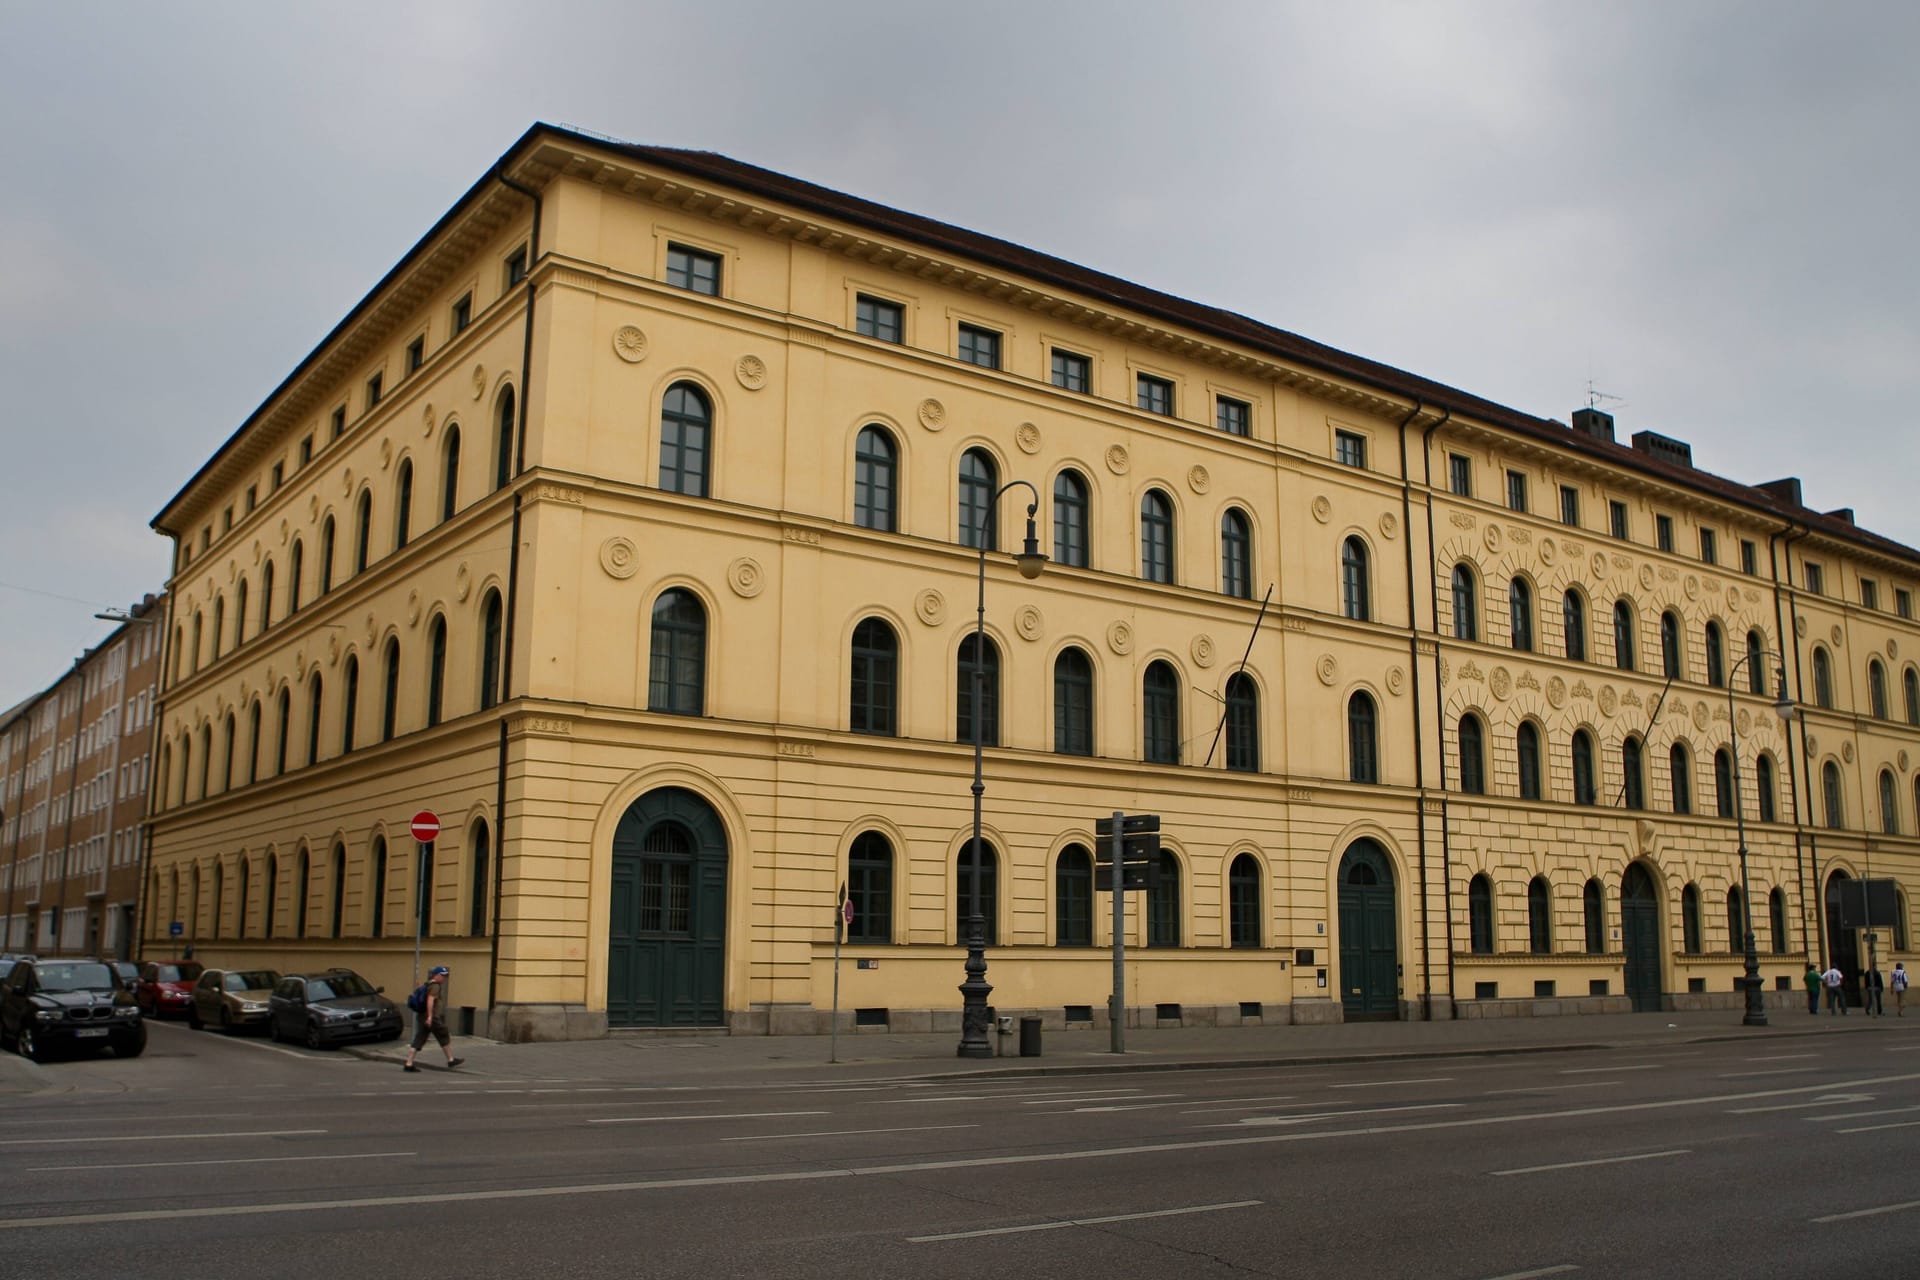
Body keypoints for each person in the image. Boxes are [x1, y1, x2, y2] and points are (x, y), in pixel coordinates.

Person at [403, 965, 463, 1073]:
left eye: (446, 976)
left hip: (422, 1016)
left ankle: (409, 1063)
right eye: (442, 975)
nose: (444, 978)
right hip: (431, 1017)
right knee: (443, 1033)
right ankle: (450, 1059)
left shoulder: (427, 984)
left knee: (420, 1038)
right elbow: (430, 1000)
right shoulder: (435, 986)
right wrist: (430, 1016)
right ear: (436, 975)